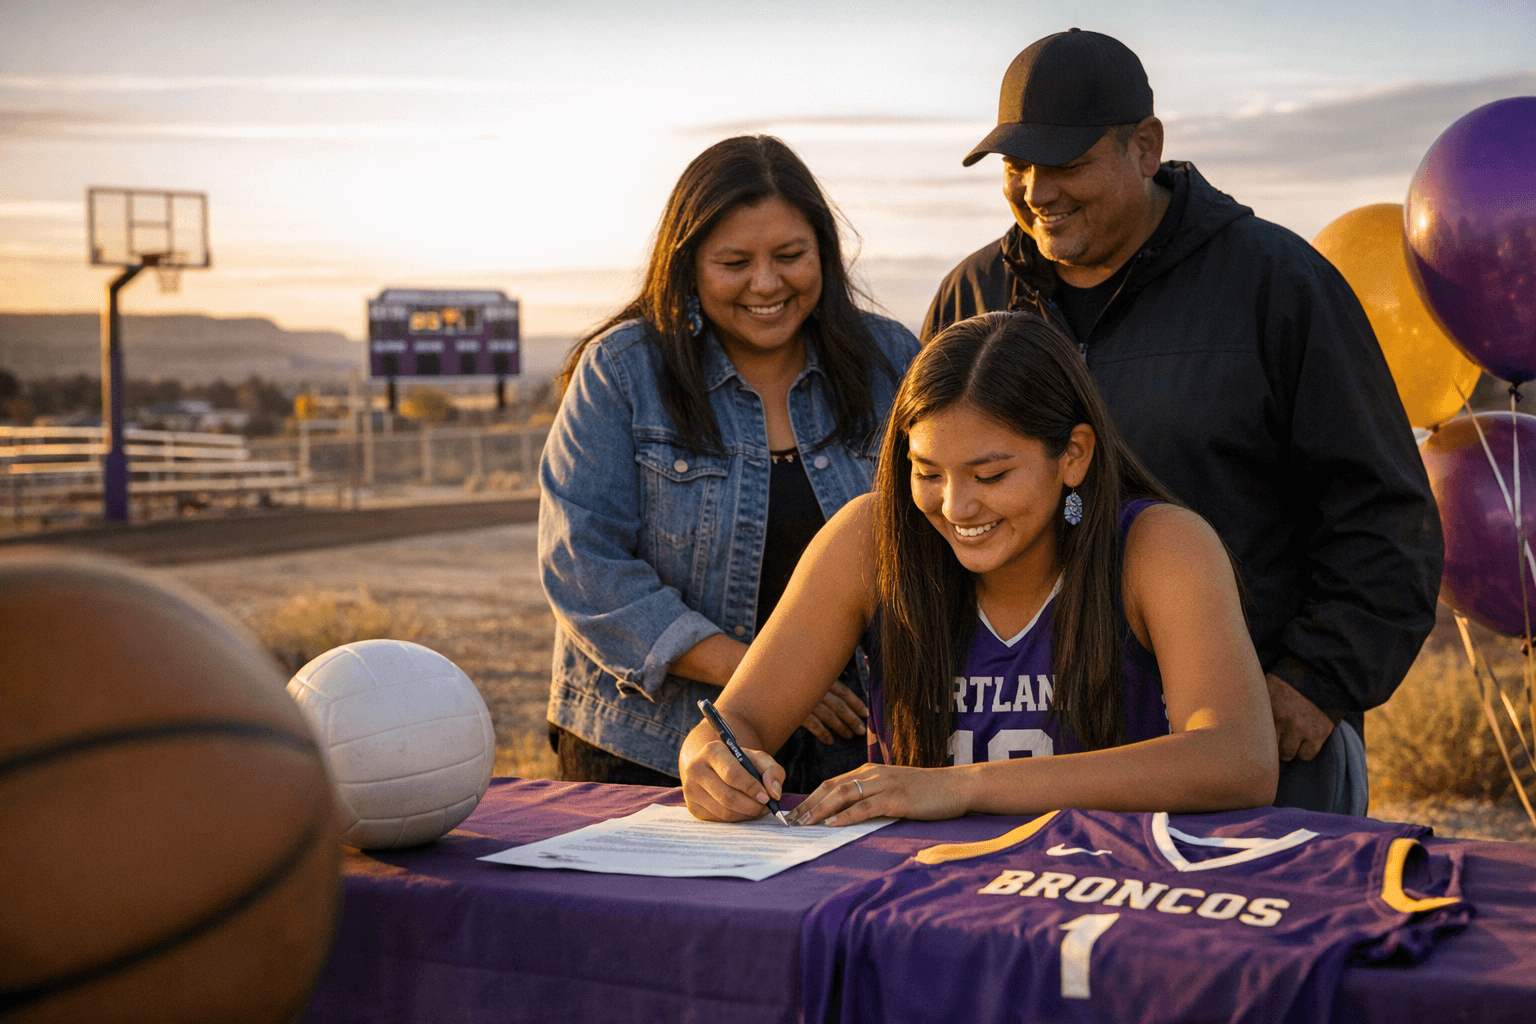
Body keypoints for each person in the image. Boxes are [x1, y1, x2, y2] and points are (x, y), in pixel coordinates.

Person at [921, 29, 1442, 814]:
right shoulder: (973, 299)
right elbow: (924, 508)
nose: (1036, 191)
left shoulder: (1280, 285)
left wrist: (1316, 679)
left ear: (1144, 147)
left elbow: (1386, 516)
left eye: (1063, 163)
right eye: (1015, 166)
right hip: (1024, 754)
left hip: (1249, 753)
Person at [679, 312, 1278, 825]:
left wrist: (961, 788)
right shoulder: (869, 539)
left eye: (990, 476)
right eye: (928, 472)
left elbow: (1238, 759)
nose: (955, 507)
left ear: (1073, 456)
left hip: (1104, 897)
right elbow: (737, 721)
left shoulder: (1159, 545)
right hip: (917, 904)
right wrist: (710, 759)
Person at [540, 135, 921, 791]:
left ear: (824, 254)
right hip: (647, 749)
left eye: (790, 256)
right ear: (688, 266)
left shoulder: (890, 362)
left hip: (855, 748)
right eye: (734, 262)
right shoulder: (624, 371)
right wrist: (769, 678)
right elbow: (583, 566)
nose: (766, 283)